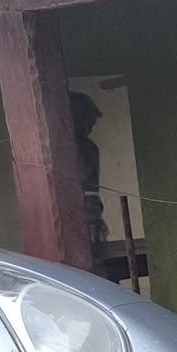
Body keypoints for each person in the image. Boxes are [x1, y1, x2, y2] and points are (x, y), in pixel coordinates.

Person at [68, 92, 107, 247]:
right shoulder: (67, 148)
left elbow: (91, 185)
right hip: (78, 217)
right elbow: (84, 176)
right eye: (87, 120)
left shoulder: (90, 147)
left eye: (92, 123)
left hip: (92, 215)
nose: (90, 126)